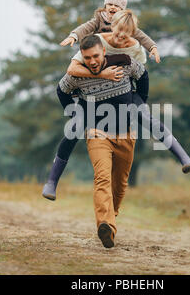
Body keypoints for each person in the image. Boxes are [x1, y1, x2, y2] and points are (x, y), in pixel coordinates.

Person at [42, 9, 190, 201]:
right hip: (91, 97)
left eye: (126, 34)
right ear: (111, 27)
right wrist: (76, 106)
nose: (120, 37)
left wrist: (139, 98)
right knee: (73, 129)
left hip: (124, 94)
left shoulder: (134, 50)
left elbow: (140, 74)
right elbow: (72, 70)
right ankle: (52, 182)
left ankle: (184, 158)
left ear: (132, 34)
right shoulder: (97, 41)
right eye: (117, 32)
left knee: (147, 118)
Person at [56, 35, 148, 248]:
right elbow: (61, 90)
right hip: (97, 134)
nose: (93, 61)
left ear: (104, 52)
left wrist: (140, 102)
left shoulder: (124, 63)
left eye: (96, 56)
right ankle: (105, 224)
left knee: (120, 184)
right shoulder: (77, 75)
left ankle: (110, 219)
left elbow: (143, 75)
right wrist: (76, 114)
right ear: (82, 57)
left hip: (126, 134)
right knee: (102, 179)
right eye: (87, 58)